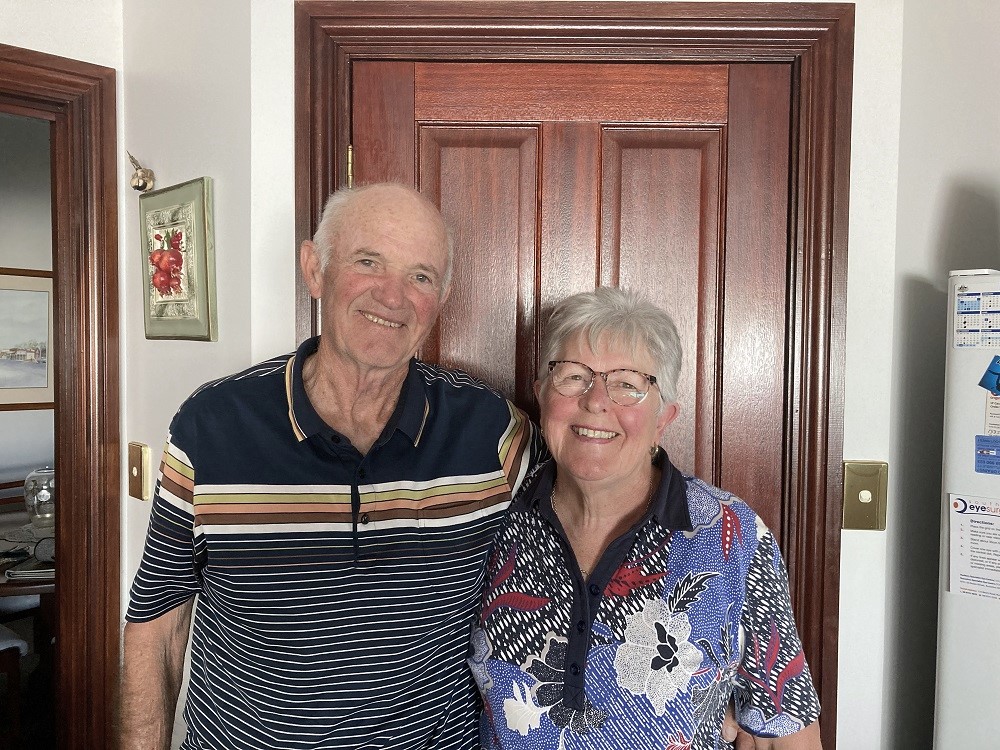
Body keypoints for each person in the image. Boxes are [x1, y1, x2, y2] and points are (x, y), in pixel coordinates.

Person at [121, 183, 543, 749]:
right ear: (314, 269)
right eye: (368, 262)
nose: (392, 296)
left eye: (420, 276)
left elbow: (592, 512)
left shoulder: (492, 432)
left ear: (441, 298)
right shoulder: (212, 426)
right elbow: (159, 625)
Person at [469, 287, 822, 749]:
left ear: (663, 418)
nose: (596, 401)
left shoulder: (731, 534)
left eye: (628, 385)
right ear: (541, 395)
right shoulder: (491, 513)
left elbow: (785, 731)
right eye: (573, 376)